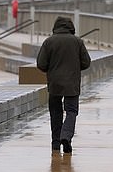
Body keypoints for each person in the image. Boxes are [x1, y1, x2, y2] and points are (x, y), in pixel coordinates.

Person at [37, 16, 91, 154]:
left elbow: (41, 64)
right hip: (72, 84)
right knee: (71, 111)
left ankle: (56, 143)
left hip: (54, 84)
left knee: (55, 112)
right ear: (71, 27)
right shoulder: (77, 42)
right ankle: (66, 136)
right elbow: (86, 62)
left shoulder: (49, 42)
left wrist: (51, 69)